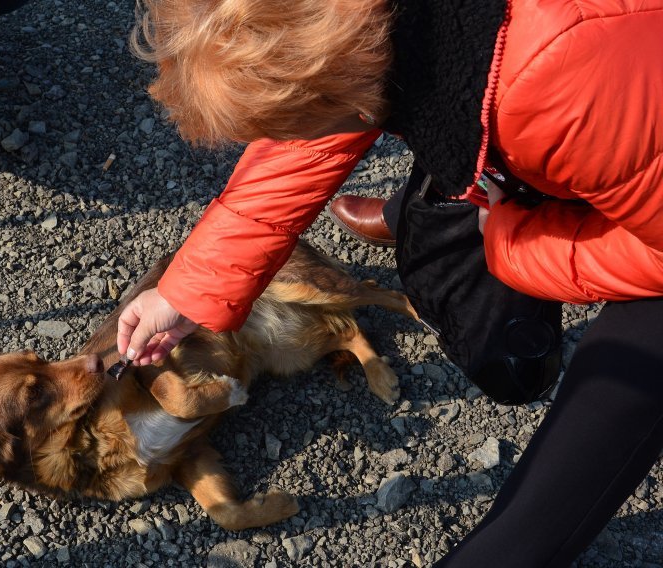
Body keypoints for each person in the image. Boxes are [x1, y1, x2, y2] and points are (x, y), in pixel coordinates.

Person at [117, 0, 663, 565]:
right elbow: (313, 134)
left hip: (602, 116)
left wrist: (515, 243)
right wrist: (186, 293)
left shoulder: (561, 93)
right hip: (573, 104)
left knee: (621, 371)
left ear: (340, 93)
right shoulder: (366, 28)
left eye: (295, 121)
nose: (293, 137)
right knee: (445, 200)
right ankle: (422, 209)